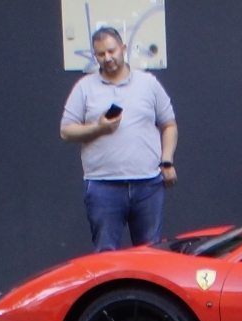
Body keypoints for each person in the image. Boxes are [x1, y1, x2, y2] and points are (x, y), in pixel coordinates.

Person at [59, 26, 177, 252]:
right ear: (95, 56)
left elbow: (169, 124)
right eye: (101, 54)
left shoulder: (148, 83)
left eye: (112, 51)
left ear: (123, 48)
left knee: (150, 255)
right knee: (105, 256)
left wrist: (167, 160)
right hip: (103, 186)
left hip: (148, 184)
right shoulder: (84, 87)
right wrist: (98, 129)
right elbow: (66, 131)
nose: (108, 58)